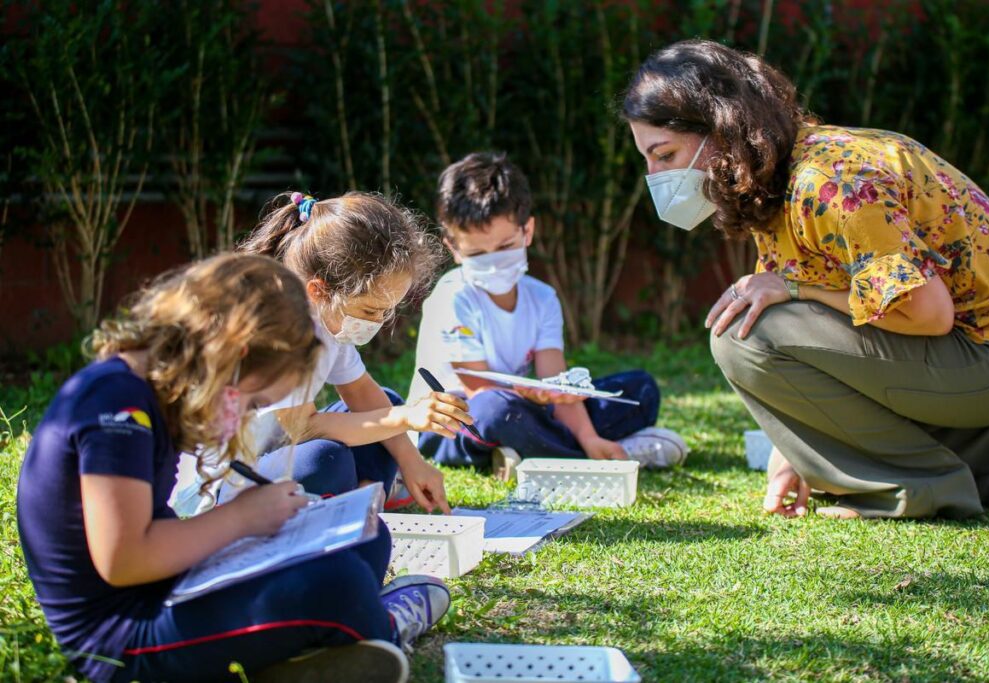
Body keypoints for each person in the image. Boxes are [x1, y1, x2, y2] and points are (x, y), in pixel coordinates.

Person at [622, 39, 989, 519]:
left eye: (664, 154)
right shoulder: (782, 174)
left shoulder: (830, 181)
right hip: (985, 366)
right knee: (757, 318)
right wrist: (799, 451)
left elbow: (928, 313)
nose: (655, 175)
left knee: (744, 335)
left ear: (720, 129)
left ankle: (914, 489)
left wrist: (796, 290)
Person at [17, 254, 450, 683]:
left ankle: (309, 644)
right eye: (255, 402)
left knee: (369, 537)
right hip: (122, 639)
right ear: (235, 356)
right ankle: (384, 626)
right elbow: (123, 560)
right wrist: (242, 518)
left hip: (166, 589)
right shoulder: (119, 407)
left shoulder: (147, 393)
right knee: (340, 583)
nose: (245, 417)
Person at [171, 192, 473, 516]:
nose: (379, 322)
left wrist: (412, 461)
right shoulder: (280, 327)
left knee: (385, 404)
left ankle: (358, 496)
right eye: (371, 310)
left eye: (387, 311)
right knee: (325, 458)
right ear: (319, 290)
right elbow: (302, 427)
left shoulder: (328, 317)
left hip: (275, 451)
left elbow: (360, 391)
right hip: (223, 483)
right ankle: (357, 496)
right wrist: (406, 418)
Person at [411, 152, 687, 473]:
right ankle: (594, 457)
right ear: (454, 249)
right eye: (476, 253)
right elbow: (478, 388)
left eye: (504, 247)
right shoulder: (453, 296)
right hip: (456, 420)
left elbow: (556, 383)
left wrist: (582, 429)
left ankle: (541, 449)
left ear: (527, 231)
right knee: (496, 410)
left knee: (640, 390)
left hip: (524, 408)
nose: (493, 262)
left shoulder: (542, 298)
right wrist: (538, 398)